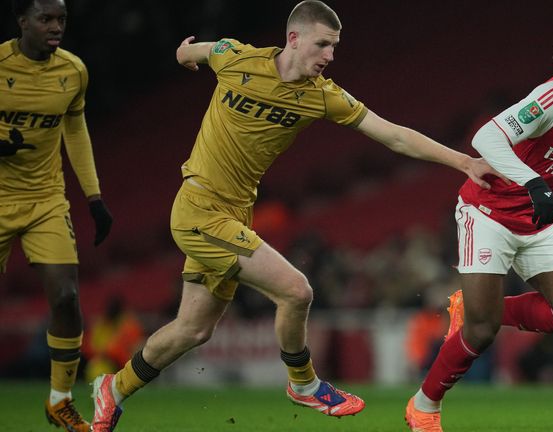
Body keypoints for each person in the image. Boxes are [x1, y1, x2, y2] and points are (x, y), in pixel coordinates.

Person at [88, 1, 505, 431]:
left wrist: (464, 162)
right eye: (323, 44)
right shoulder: (236, 57)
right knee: (296, 291)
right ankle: (303, 384)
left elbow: (393, 135)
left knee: (193, 330)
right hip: (197, 209)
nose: (329, 56)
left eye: (334, 47)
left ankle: (113, 390)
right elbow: (192, 53)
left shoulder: (322, 95)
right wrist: (184, 55)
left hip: (234, 216)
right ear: (294, 38)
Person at [405, 23, 553, 432]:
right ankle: (425, 405)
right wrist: (532, 182)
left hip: (538, 220)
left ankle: (475, 307)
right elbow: (487, 138)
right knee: (480, 333)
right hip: (489, 212)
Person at [0, 1, 113, 431]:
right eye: (45, 18)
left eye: (61, 19)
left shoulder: (73, 72)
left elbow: (76, 130)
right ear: (22, 20)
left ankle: (60, 399)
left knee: (66, 298)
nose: (55, 27)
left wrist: (94, 198)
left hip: (45, 200)